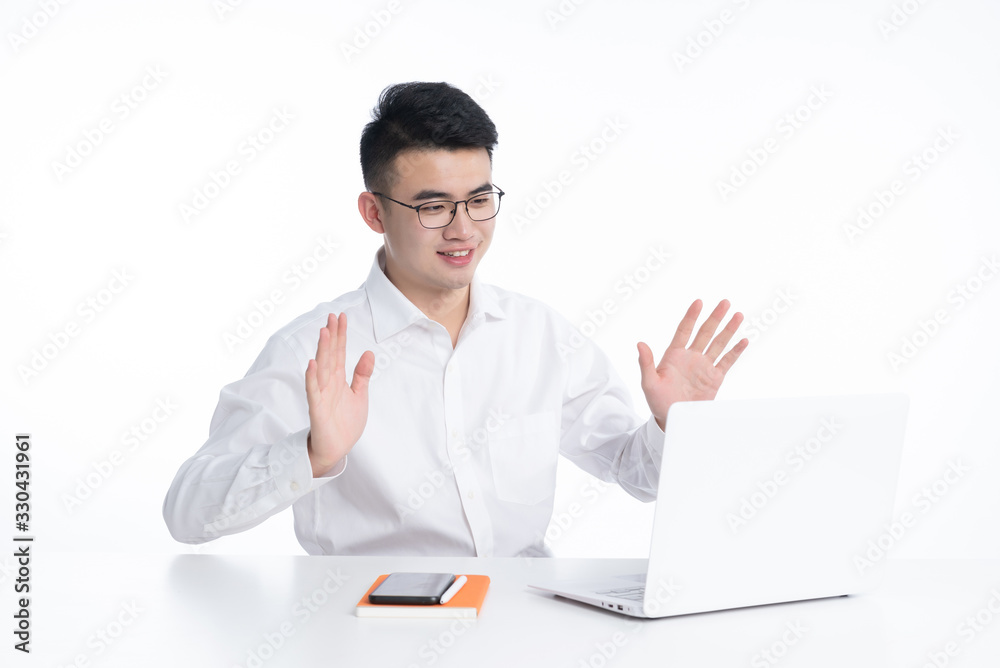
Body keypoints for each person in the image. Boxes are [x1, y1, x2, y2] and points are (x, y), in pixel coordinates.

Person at [162, 81, 748, 557]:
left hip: (522, 628)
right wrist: (312, 452)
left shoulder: (538, 335)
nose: (464, 229)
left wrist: (677, 424)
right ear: (373, 212)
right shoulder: (313, 351)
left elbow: (635, 473)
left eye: (478, 199)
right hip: (370, 631)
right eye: (433, 206)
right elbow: (187, 514)